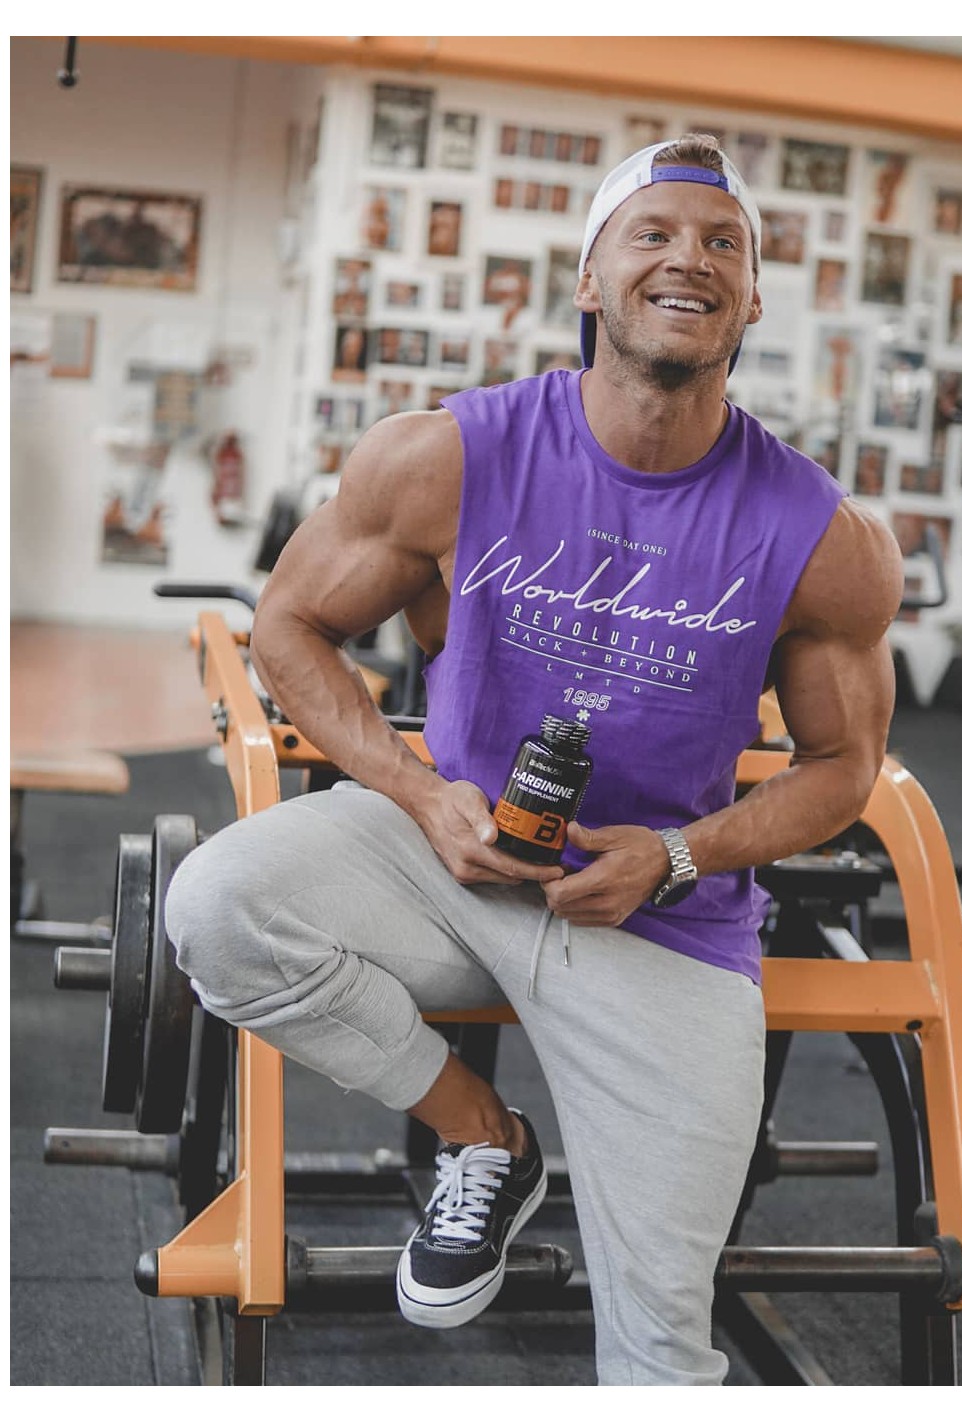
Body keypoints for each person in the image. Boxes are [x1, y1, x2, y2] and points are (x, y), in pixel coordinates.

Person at [165, 133, 903, 1386]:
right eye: (651, 234)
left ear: (750, 302)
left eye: (722, 244)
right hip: (447, 860)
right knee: (219, 905)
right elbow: (287, 626)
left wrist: (675, 855)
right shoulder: (449, 456)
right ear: (587, 281)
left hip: (659, 920)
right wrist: (419, 793)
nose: (688, 258)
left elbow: (842, 768)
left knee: (662, 1351)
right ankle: (485, 1139)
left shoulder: (821, 535)